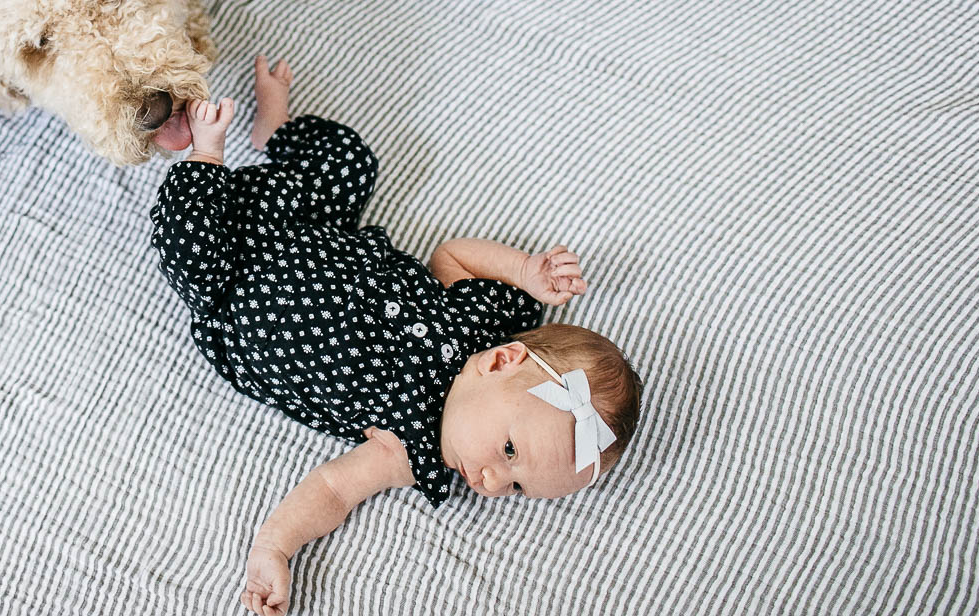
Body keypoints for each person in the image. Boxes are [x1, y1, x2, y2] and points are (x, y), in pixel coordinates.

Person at [149, 56, 640, 616]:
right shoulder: (479, 321)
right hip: (305, 225)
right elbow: (451, 254)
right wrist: (526, 271)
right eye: (509, 452)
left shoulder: (411, 450)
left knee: (186, 248)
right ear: (502, 361)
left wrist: (275, 549)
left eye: (515, 488)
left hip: (233, 288)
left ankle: (205, 156)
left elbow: (332, 490)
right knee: (350, 161)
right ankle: (275, 129)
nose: (489, 480)